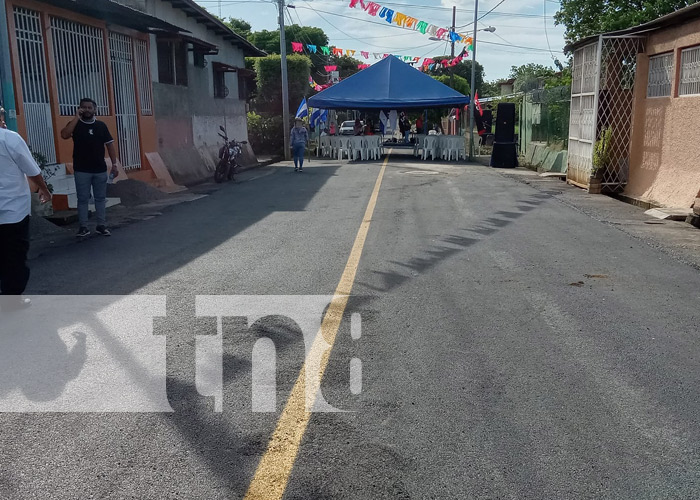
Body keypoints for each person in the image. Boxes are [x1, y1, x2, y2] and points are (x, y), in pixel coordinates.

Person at [0, 117, 52, 311]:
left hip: (11, 210)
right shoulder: (9, 138)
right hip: (12, 210)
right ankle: (11, 300)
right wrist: (44, 190)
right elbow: (31, 169)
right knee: (13, 255)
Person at [60, 98, 119, 238]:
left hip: (99, 169)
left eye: (89, 107)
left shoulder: (101, 126)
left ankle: (101, 225)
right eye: (84, 107)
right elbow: (64, 135)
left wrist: (114, 164)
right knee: (83, 199)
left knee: (100, 198)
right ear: (79, 109)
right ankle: (83, 227)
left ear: (95, 110)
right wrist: (76, 118)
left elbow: (110, 145)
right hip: (81, 169)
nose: (87, 110)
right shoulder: (75, 125)